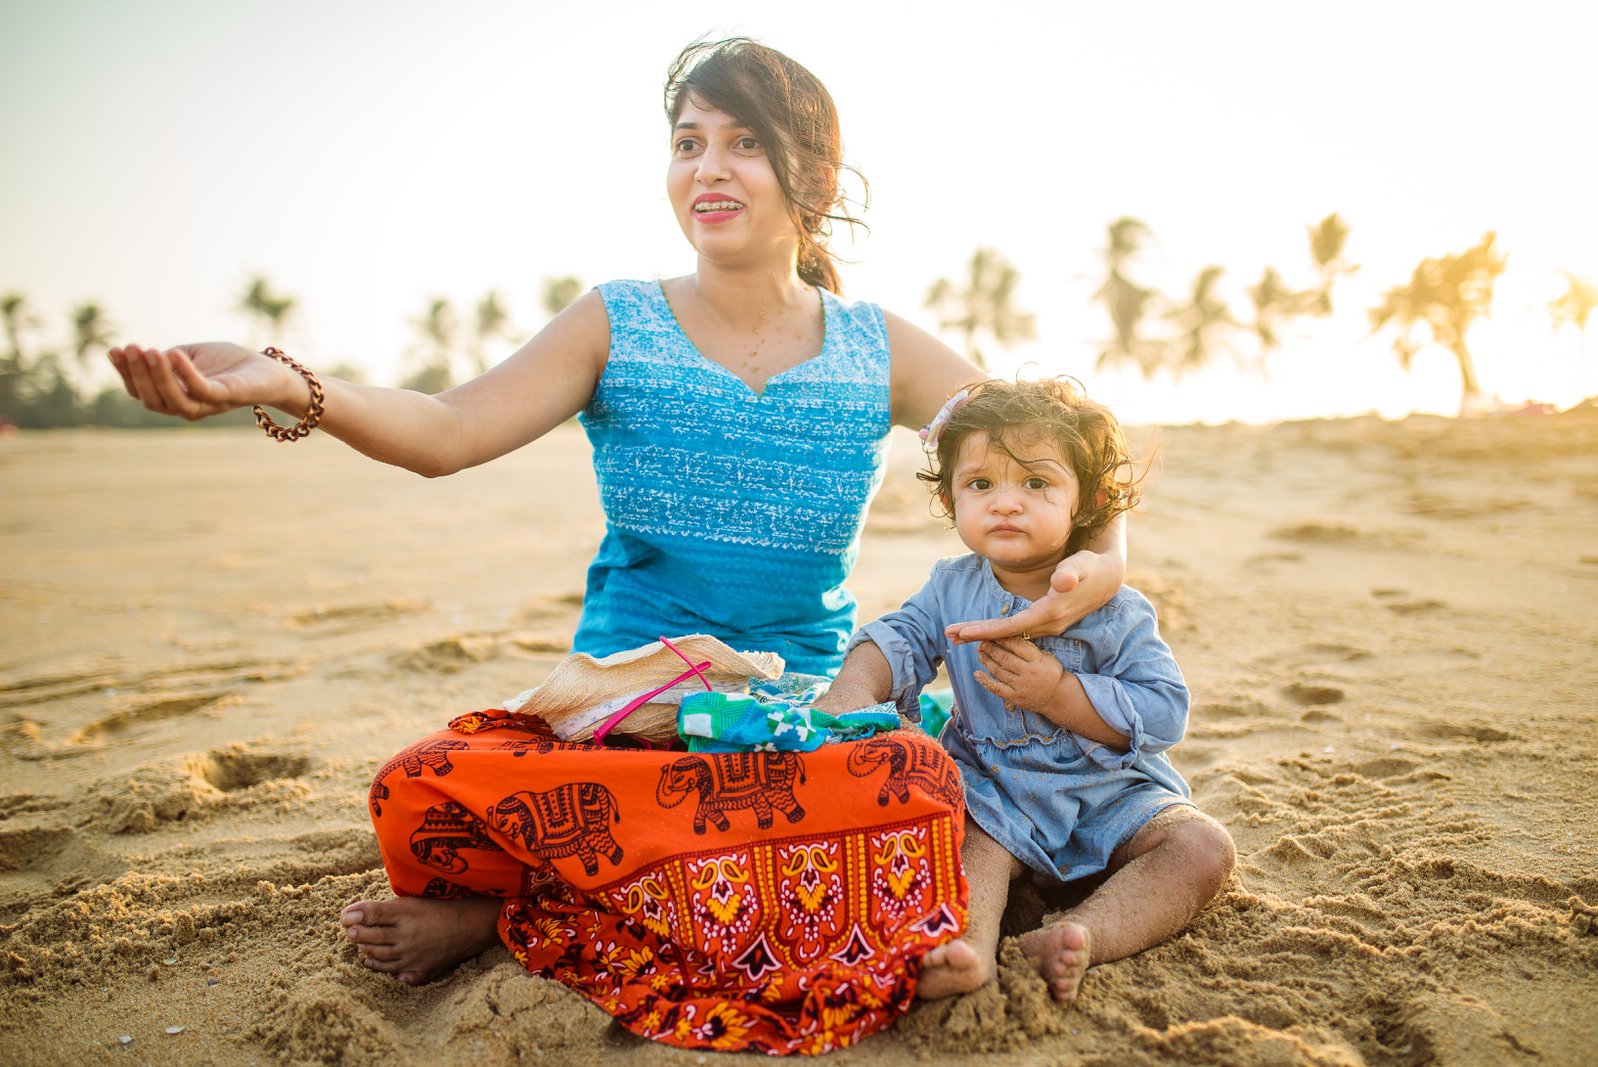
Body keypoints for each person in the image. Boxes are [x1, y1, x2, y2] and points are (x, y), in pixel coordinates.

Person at [106, 39, 1128, 1054]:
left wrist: (1106, 557)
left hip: (804, 726)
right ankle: (623, 894)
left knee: (910, 778)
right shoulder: (618, 322)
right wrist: (292, 386)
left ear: (812, 176)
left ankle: (513, 918)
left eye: (742, 143)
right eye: (688, 143)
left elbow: (1056, 441)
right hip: (626, 718)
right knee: (420, 789)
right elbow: (448, 429)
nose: (707, 169)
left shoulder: (875, 347)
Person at [814, 378, 1235, 1002]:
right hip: (995, 792)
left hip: (1109, 794)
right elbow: (898, 639)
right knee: (970, 850)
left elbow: (1166, 712)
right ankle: (967, 948)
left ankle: (1083, 934)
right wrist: (852, 689)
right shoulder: (951, 588)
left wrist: (1061, 694)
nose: (1006, 503)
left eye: (1036, 483)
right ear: (950, 497)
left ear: (1083, 502)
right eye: (981, 484)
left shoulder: (1118, 610)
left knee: (1202, 848)